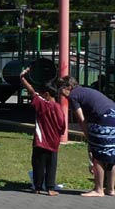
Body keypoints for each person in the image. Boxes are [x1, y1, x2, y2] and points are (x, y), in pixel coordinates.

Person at [58, 76, 115, 197]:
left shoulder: (74, 96)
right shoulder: (85, 90)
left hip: (103, 119)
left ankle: (99, 189)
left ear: (68, 87)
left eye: (60, 88)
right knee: (111, 155)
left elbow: (81, 118)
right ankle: (111, 189)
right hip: (113, 115)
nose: (60, 93)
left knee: (97, 155)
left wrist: (88, 137)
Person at [21, 68, 65, 196]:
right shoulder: (58, 107)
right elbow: (62, 124)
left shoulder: (42, 104)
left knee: (38, 164)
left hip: (40, 141)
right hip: (54, 141)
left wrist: (23, 78)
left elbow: (31, 91)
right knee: (51, 165)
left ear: (46, 94)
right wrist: (59, 134)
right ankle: (50, 188)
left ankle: (38, 187)